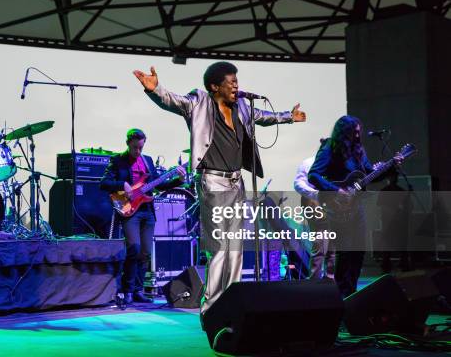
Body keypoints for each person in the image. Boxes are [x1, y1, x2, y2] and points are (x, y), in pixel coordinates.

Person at [133, 62, 306, 317]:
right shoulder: (199, 102)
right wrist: (155, 89)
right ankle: (211, 309)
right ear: (215, 86)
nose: (236, 85)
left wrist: (288, 117)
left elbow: (263, 117)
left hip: (236, 181)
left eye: (237, 80)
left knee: (235, 247)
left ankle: (231, 302)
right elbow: (173, 100)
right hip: (211, 180)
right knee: (220, 247)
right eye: (231, 81)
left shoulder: (242, 107)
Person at [308, 115, 402, 297]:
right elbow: (314, 175)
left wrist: (391, 167)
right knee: (345, 253)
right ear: (344, 132)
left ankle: (351, 295)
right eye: (354, 132)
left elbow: (370, 175)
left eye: (359, 131)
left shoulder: (358, 150)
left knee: (358, 252)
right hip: (337, 208)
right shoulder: (329, 147)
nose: (358, 135)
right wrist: (336, 190)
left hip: (356, 208)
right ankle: (340, 296)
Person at [100, 128, 185, 304]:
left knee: (145, 252)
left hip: (147, 210)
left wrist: (179, 180)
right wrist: (123, 184)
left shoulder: (147, 161)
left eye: (140, 148)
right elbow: (104, 183)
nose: (138, 151)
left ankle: (138, 290)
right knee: (134, 249)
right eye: (135, 148)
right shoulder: (118, 160)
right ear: (128, 144)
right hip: (129, 209)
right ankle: (127, 290)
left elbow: (158, 185)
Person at [293, 152, 335, 280]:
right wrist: (316, 195)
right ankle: (314, 282)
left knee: (333, 248)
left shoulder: (336, 164)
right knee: (320, 246)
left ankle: (329, 281)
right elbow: (298, 184)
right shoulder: (309, 163)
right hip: (314, 204)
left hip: (333, 207)